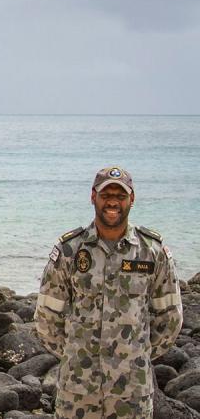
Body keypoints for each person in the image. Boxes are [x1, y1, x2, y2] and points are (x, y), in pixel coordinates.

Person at [35, 166, 183, 418]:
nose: (112, 201)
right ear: (93, 197)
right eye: (106, 195)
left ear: (131, 199)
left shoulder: (152, 251)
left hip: (132, 391)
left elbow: (170, 318)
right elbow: (47, 316)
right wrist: (75, 353)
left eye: (120, 195)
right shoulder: (70, 250)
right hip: (78, 389)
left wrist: (137, 352)